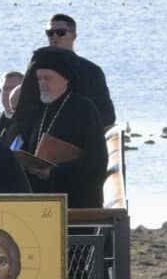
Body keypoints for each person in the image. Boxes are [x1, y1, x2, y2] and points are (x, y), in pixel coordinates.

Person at [6, 47, 109, 209]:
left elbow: (97, 163)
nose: (43, 84)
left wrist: (54, 173)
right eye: (39, 78)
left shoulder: (84, 110)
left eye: (48, 78)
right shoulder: (38, 110)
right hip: (39, 199)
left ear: (65, 78)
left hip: (75, 201)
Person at [41, 13, 116, 131]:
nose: (54, 36)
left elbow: (108, 115)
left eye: (61, 32)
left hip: (79, 139)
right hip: (43, 138)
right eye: (50, 33)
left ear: (74, 36)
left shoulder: (91, 71)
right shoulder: (38, 69)